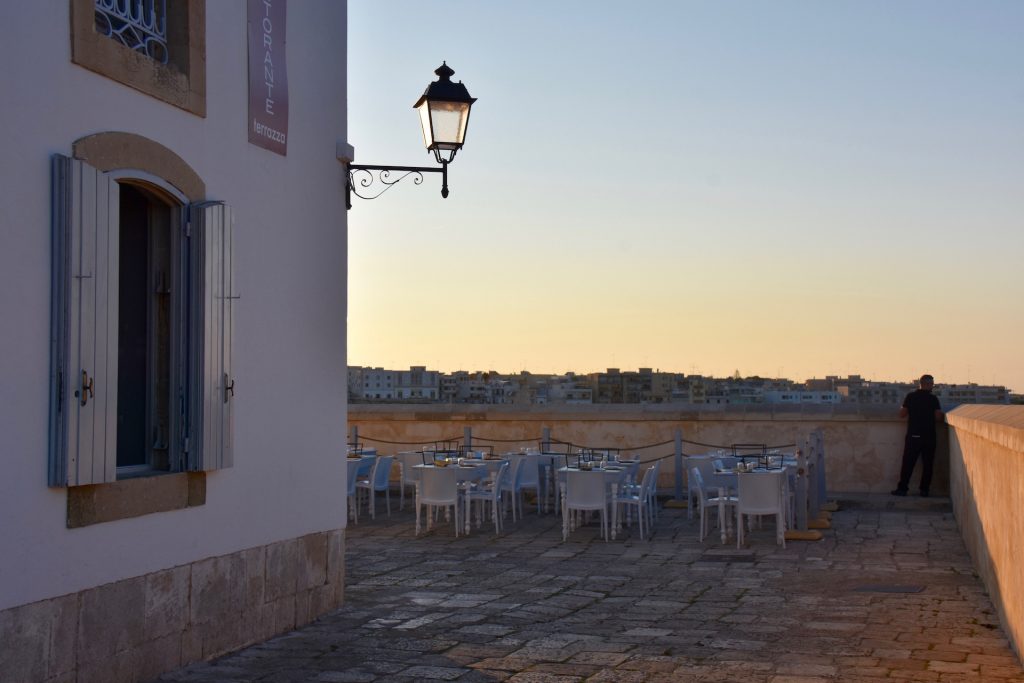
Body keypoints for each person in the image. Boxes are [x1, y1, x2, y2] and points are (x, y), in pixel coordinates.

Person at [892, 374, 944, 497]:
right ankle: (924, 490)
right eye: (931, 384)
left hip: (913, 436)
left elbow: (902, 414)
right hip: (929, 437)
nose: (932, 386)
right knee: (928, 464)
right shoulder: (933, 399)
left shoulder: (911, 397)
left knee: (908, 463)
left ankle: (902, 489)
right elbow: (938, 416)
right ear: (926, 384)